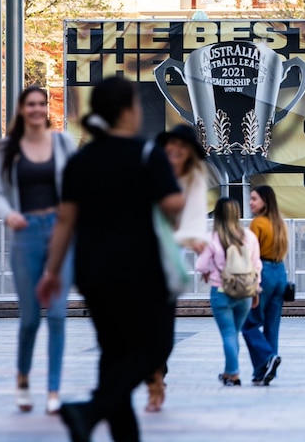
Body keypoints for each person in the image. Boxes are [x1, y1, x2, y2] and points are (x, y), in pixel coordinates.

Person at [37, 76, 183, 442]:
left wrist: (52, 272)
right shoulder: (148, 154)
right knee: (156, 347)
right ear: (126, 111)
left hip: (94, 273)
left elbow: (65, 222)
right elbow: (172, 210)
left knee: (114, 356)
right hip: (143, 273)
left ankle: (103, 423)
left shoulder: (80, 161)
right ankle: (88, 410)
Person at [0, 86, 78, 415]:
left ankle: (53, 389)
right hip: (25, 231)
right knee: (29, 319)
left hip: (59, 231)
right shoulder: (6, 148)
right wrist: (8, 214)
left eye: (42, 104)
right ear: (21, 109)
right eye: (31, 104)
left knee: (56, 315)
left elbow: (75, 185)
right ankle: (23, 379)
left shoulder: (62, 142)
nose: (38, 109)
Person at [143, 123, 211, 412]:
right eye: (171, 145)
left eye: (182, 147)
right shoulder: (148, 168)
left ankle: (159, 371)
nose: (175, 151)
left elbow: (195, 220)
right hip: (139, 253)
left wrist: (194, 239)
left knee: (163, 327)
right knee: (139, 324)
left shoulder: (195, 177)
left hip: (168, 257)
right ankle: (152, 379)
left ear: (190, 154)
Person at [194, 197, 261, 386]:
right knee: (234, 333)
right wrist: (255, 291)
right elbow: (257, 266)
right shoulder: (249, 237)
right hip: (245, 293)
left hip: (221, 292)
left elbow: (200, 265)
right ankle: (228, 371)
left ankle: (233, 373)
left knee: (228, 334)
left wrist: (207, 271)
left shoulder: (212, 237)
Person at [242, 184, 289, 385]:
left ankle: (267, 359)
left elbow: (251, 255)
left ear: (265, 202)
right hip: (280, 273)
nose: (251, 202)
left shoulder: (258, 224)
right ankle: (263, 372)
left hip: (264, 272)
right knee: (272, 325)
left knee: (249, 324)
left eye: (254, 199)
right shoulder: (280, 223)